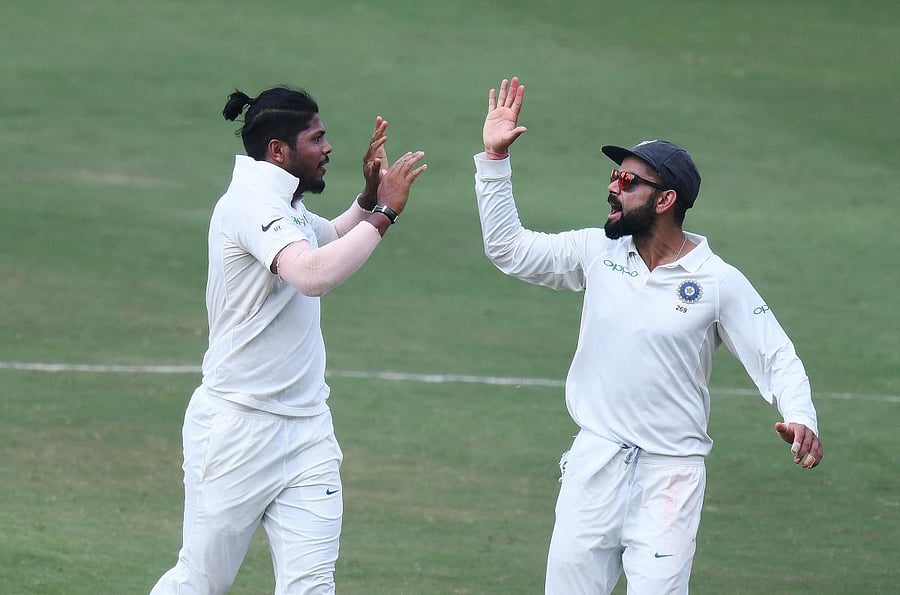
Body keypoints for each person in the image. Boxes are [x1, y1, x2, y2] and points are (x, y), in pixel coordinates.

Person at [473, 76, 823, 594]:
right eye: (615, 176)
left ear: (665, 201)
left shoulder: (717, 281)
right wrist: (494, 161)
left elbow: (775, 353)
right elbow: (509, 250)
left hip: (670, 479)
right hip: (595, 463)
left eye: (628, 181)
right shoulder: (597, 251)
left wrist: (801, 415)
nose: (613, 186)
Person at [150, 85, 426, 594]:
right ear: (279, 150)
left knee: (313, 585)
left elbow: (327, 239)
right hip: (238, 427)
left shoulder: (284, 200)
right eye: (316, 138)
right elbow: (313, 274)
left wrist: (367, 199)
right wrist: (386, 214)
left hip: (307, 432)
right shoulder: (252, 204)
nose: (328, 148)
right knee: (201, 582)